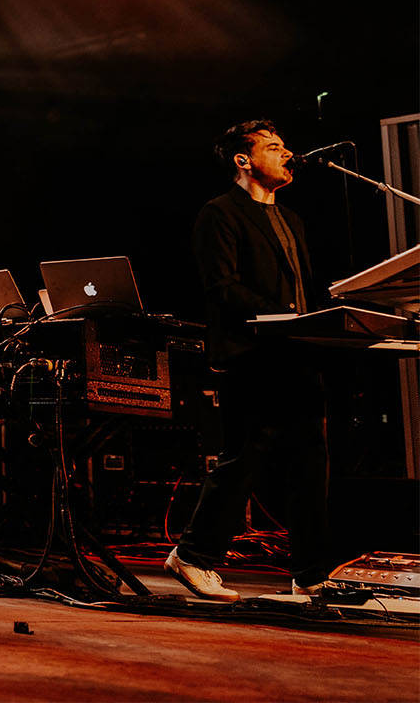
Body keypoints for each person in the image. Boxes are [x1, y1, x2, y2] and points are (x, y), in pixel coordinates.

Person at [166, 119, 332, 600]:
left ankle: (310, 572)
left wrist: (319, 317)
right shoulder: (220, 213)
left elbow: (304, 288)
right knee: (246, 456)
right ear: (243, 160)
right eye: (275, 147)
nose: (287, 154)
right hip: (251, 355)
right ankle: (193, 556)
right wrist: (287, 315)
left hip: (297, 353)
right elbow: (222, 287)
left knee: (310, 461)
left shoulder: (291, 219)